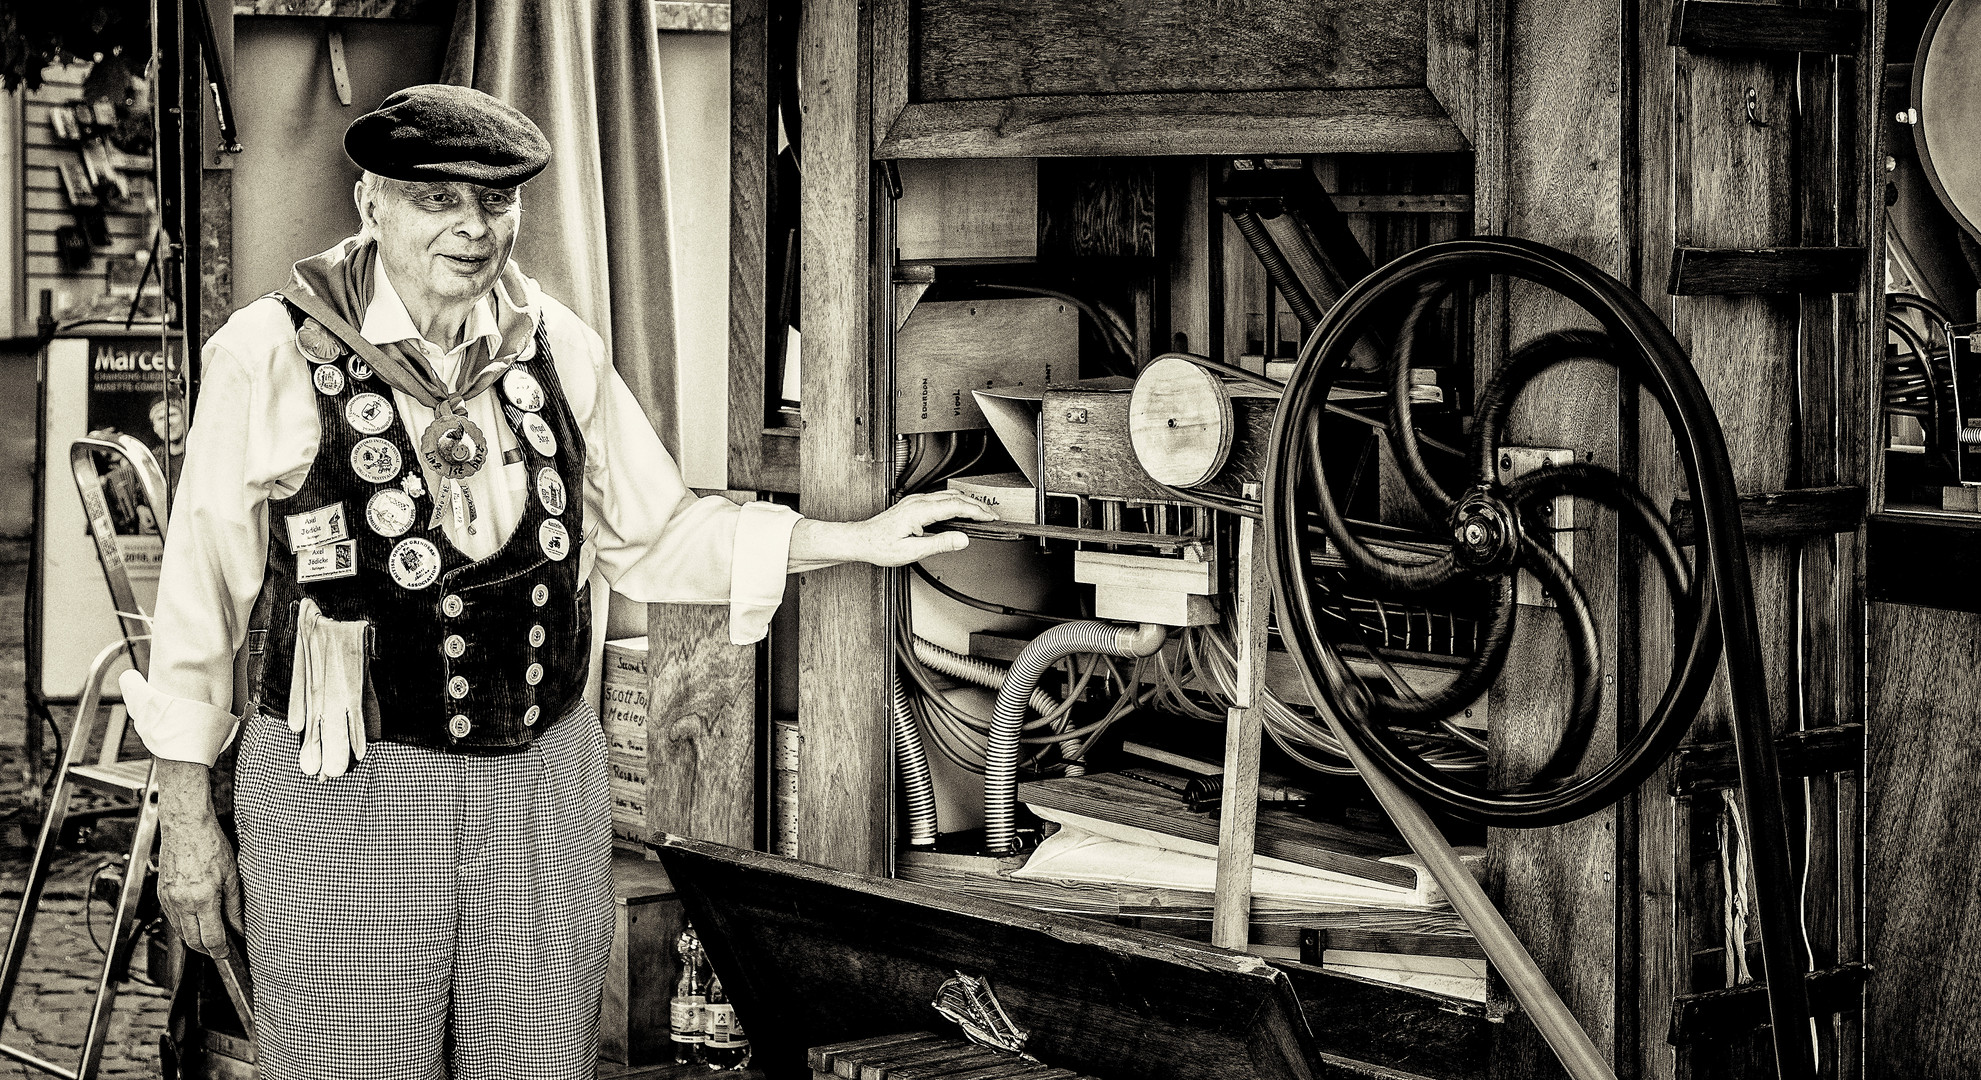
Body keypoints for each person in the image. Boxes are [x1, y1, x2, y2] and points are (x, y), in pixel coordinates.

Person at [122, 85, 995, 1080]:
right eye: (435, 199)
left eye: (493, 203)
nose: (470, 227)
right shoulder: (268, 352)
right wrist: (186, 814)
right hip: (342, 785)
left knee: (535, 1057)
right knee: (345, 1058)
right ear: (372, 204)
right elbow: (199, 599)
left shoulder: (556, 347)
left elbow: (656, 535)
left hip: (538, 783)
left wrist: (858, 539)